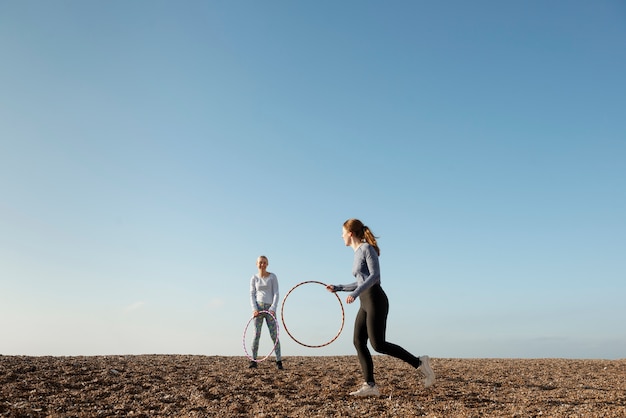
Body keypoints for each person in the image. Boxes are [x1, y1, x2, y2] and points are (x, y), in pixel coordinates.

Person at [326, 219, 434, 396]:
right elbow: (361, 281)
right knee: (358, 341)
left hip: (375, 298)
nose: (341, 236)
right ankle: (370, 385)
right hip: (365, 300)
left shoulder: (367, 249)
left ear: (350, 233)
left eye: (343, 232)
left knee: (378, 344)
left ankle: (420, 362)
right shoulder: (357, 253)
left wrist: (354, 293)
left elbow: (375, 276)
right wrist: (338, 288)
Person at [249, 255, 283, 370]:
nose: (262, 264)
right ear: (256, 264)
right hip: (258, 309)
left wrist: (273, 308)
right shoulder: (254, 278)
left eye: (264, 262)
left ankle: (278, 361)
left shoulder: (273, 277)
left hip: (270, 309)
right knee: (256, 335)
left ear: (267, 264)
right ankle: (253, 361)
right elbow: (251, 294)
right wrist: (254, 309)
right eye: (260, 262)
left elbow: (276, 293)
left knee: (274, 335)